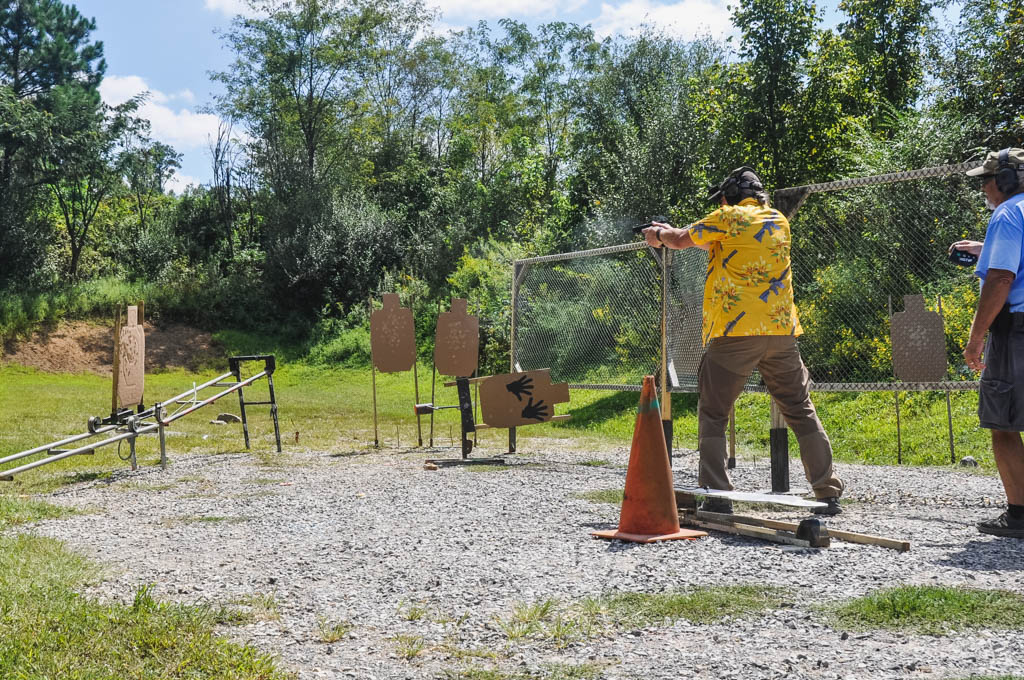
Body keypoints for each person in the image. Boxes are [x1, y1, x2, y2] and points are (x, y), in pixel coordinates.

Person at [643, 167, 844, 515]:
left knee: (714, 411)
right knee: (800, 409)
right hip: (781, 331)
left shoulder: (727, 217)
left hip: (735, 331)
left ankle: (718, 495)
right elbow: (722, 242)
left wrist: (658, 235)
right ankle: (826, 490)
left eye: (722, 198)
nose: (720, 203)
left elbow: (680, 240)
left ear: (731, 197)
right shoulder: (779, 220)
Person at [949, 147, 1024, 538]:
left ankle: (1020, 515)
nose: (984, 187)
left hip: (1016, 330)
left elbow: (1000, 280)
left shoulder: (1008, 212)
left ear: (1006, 181)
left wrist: (976, 338)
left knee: (1004, 423)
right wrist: (986, 248)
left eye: (987, 180)